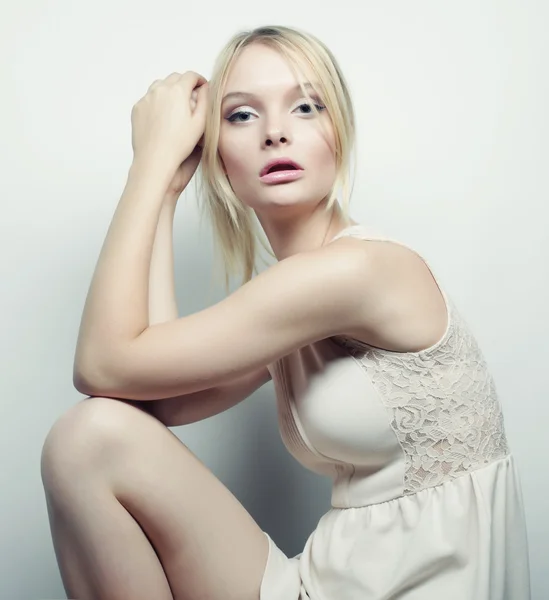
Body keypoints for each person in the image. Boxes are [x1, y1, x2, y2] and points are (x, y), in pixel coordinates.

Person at [40, 24, 531, 600]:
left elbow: (104, 363)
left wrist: (146, 164)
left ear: (339, 133)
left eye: (304, 106)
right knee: (89, 439)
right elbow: (151, 397)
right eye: (242, 115)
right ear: (216, 155)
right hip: (322, 584)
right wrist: (165, 189)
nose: (275, 133)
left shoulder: (359, 272)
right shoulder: (291, 296)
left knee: (88, 436)